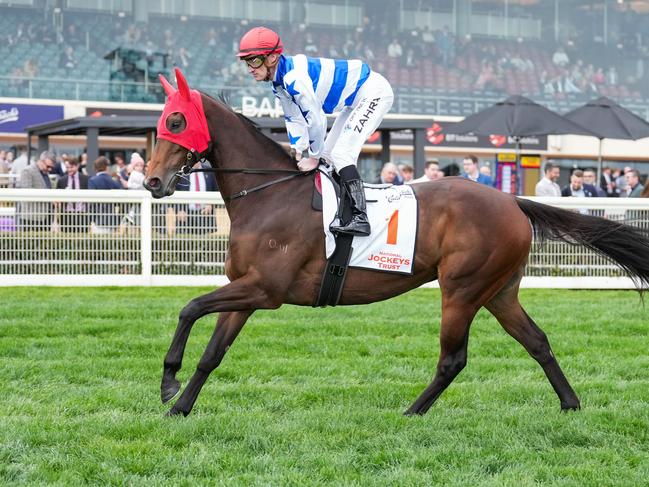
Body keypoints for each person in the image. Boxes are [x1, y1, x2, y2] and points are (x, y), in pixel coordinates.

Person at [237, 26, 394, 236]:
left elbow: (316, 119)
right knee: (328, 157)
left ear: (273, 58)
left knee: (340, 154)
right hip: (354, 100)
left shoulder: (293, 78)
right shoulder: (278, 82)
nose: (250, 68)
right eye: (247, 61)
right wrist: (298, 151)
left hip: (373, 92)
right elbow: (293, 118)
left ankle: (360, 217)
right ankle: (341, 211)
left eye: (254, 60)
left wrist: (312, 156)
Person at [17, 151, 56, 232]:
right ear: (41, 161)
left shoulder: (44, 173)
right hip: (30, 216)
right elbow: (26, 192)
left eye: (52, 167)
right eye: (48, 166)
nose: (50, 169)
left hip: (45, 216)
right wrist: (49, 198)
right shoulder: (28, 171)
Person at [88, 156, 122, 232]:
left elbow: (91, 201)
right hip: (111, 218)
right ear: (106, 167)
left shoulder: (92, 180)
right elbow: (120, 201)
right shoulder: (113, 181)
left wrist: (91, 218)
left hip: (97, 218)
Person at [55, 156, 88, 232]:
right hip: (67, 215)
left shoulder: (86, 179)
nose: (69, 170)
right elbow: (57, 197)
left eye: (71, 167)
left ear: (77, 166)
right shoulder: (61, 180)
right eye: (67, 167)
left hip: (82, 214)